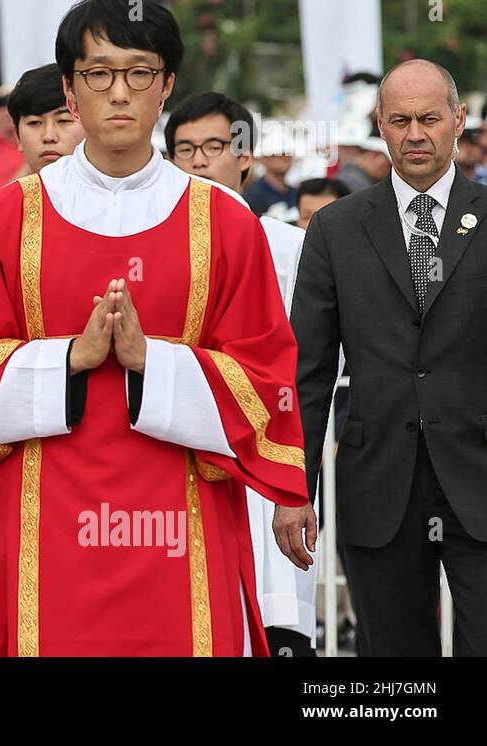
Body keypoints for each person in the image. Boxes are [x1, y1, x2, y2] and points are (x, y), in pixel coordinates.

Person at [0, 0, 307, 657]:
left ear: (167, 85)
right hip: (39, 529)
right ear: (71, 88)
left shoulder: (226, 226)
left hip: (182, 536)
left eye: (139, 72)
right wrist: (68, 359)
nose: (119, 93)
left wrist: (155, 361)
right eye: (98, 74)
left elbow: (267, 386)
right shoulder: (2, 222)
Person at [282, 59, 487, 656]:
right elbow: (308, 373)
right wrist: (295, 488)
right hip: (379, 484)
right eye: (400, 120)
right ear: (380, 125)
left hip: (478, 473)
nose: (415, 134)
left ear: (458, 120)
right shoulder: (336, 229)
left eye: (429, 118)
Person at [165, 90, 315, 656]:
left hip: (271, 457)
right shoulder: (152, 250)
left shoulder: (293, 248)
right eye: (184, 150)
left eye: (212, 147)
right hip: (184, 459)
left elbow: (316, 363)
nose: (198, 161)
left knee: (276, 624)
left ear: (246, 156)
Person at [4, 63, 84, 191]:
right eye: (34, 123)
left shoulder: (121, 205)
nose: (49, 136)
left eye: (63, 120)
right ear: (17, 137)